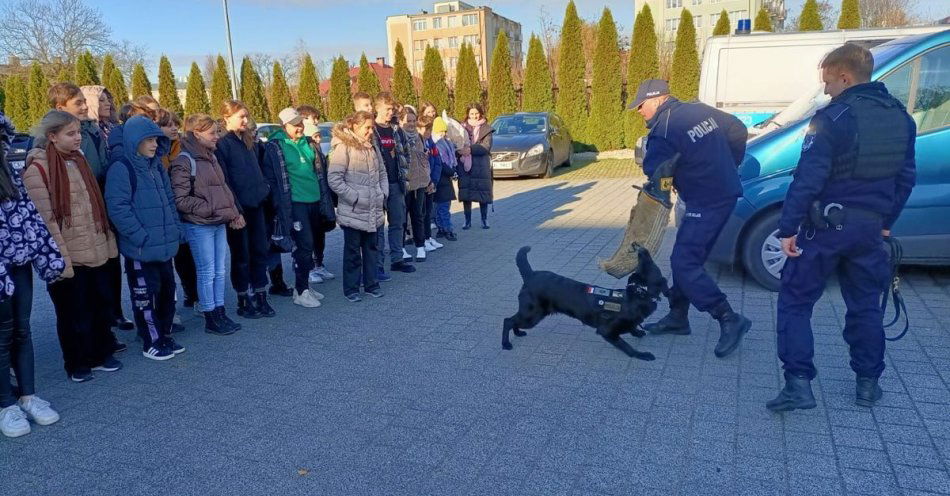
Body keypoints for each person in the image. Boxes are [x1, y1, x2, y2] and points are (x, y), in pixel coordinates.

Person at [767, 44, 917, 412]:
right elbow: (906, 179)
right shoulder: (902, 118)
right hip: (869, 231)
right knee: (866, 305)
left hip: (825, 229)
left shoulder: (833, 118)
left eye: (828, 82)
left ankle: (798, 385)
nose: (826, 90)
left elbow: (807, 179)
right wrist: (885, 224)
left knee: (795, 301)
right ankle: (868, 384)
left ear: (845, 76)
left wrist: (788, 228)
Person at [633, 79, 751, 359]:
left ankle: (728, 317)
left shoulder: (663, 129)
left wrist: (660, 190)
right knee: (686, 256)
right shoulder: (698, 110)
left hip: (706, 200)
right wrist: (728, 165)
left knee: (684, 262)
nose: (638, 111)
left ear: (659, 99)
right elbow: (738, 129)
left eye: (641, 105)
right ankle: (678, 316)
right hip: (721, 192)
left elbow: (655, 170)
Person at [24, 111, 122, 381]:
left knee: (99, 306)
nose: (78, 137)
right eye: (71, 133)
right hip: (66, 257)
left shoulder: (79, 161)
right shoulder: (38, 169)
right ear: (52, 137)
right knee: (72, 313)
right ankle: (77, 363)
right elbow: (46, 221)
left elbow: (94, 207)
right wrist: (62, 259)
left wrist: (106, 243)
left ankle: (101, 353)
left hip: (94, 249)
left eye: (78, 132)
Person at [0, 115, 66, 437]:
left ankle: (27, 396)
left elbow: (30, 216)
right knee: (1, 337)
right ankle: (5, 405)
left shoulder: (11, 174)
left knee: (22, 331)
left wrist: (48, 254)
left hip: (18, 264)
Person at [53, 85, 134, 336]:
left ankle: (111, 316)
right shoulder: (55, 141)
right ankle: (94, 333)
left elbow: (102, 165)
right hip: (79, 212)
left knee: (108, 263)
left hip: (101, 201)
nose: (86, 106)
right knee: (85, 277)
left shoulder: (94, 130)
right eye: (80, 103)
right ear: (61, 108)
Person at [105, 116, 184, 361]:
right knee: (145, 296)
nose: (153, 144)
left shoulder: (156, 166)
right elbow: (118, 208)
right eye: (148, 139)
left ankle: (164, 334)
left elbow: (169, 200)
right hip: (140, 248)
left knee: (167, 292)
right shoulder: (122, 168)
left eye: (155, 139)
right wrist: (140, 236)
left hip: (164, 245)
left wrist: (174, 229)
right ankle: (151, 340)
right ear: (134, 141)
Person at [170, 114, 243, 335]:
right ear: (196, 134)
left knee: (219, 270)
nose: (217, 137)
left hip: (218, 222)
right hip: (200, 225)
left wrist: (231, 212)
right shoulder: (184, 160)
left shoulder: (211, 157)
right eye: (212, 133)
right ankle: (210, 315)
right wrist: (211, 209)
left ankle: (220, 312)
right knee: (206, 271)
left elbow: (223, 188)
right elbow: (180, 199)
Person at [261, 107, 333, 308]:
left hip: (314, 201)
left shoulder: (308, 142)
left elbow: (318, 171)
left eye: (301, 123)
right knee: (304, 246)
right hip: (295, 204)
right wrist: (279, 206)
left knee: (311, 244)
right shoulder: (275, 147)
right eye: (295, 125)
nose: (300, 127)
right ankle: (301, 291)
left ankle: (305, 287)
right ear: (284, 126)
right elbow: (272, 180)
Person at [214, 100, 275, 319]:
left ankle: (260, 295)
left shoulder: (248, 141)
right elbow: (225, 181)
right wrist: (234, 211)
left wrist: (264, 188)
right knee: (241, 256)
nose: (246, 121)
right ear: (227, 118)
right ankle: (243, 299)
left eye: (247, 116)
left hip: (256, 205)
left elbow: (257, 170)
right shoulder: (223, 145)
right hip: (238, 210)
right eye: (241, 116)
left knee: (260, 250)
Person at [327, 112, 387, 302]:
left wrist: (382, 192)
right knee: (353, 252)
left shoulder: (373, 147)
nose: (371, 131)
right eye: (367, 128)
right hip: (353, 211)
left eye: (372, 128)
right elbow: (334, 179)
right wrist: (354, 197)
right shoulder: (343, 147)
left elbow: (383, 173)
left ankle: (371, 284)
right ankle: (351, 289)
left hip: (373, 209)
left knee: (372, 249)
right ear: (354, 126)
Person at [295, 105, 336, 285]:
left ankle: (319, 263)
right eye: (313, 119)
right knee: (307, 236)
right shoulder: (300, 144)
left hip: (321, 195)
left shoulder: (314, 144)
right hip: (304, 198)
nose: (317, 122)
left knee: (320, 233)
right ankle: (308, 268)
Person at [400, 107, 431, 265]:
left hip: (419, 182)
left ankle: (420, 246)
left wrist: (428, 179)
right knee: (402, 217)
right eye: (408, 121)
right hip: (405, 184)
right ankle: (402, 247)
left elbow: (423, 159)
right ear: (401, 122)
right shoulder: (398, 136)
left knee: (418, 215)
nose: (411, 124)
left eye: (413, 121)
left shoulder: (419, 137)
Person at [457, 103, 494, 230]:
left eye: (476, 113)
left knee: (482, 193)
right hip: (465, 165)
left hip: (481, 165)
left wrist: (470, 150)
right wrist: (460, 150)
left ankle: (484, 219)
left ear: (481, 113)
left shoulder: (487, 128)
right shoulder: (461, 128)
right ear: (468, 114)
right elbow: (456, 143)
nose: (474, 116)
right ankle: (467, 220)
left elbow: (486, 146)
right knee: (466, 193)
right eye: (472, 113)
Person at [415, 114, 444, 252]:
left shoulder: (431, 142)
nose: (427, 133)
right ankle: (423, 239)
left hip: (431, 182)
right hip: (422, 183)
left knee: (428, 211)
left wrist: (434, 181)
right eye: (424, 130)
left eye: (429, 130)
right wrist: (427, 181)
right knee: (422, 213)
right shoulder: (417, 142)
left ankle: (428, 237)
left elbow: (437, 162)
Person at [431, 117, 458, 241]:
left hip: (444, 182)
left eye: (444, 131)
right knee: (443, 209)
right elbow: (441, 164)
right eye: (440, 131)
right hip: (441, 181)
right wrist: (452, 172)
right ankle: (447, 229)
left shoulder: (445, 142)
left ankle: (442, 228)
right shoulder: (437, 145)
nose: (443, 133)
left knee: (441, 208)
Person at [80, 85, 117, 158]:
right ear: (90, 103)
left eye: (108, 100)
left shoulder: (112, 127)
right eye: (101, 100)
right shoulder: (83, 132)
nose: (108, 104)